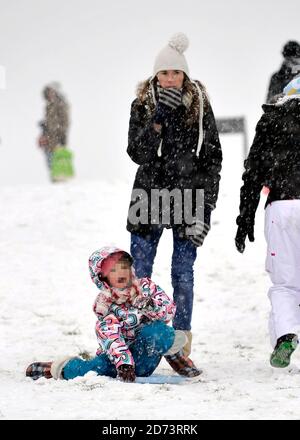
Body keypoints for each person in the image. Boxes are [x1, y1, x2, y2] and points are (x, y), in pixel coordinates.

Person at [126, 33, 222, 375]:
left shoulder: (199, 107)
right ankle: (136, 338)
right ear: (155, 76)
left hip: (189, 196)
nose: (169, 79)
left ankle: (179, 345)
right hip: (149, 195)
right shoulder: (142, 105)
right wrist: (157, 121)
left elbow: (213, 159)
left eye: (175, 73)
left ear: (184, 75)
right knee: (138, 275)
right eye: (164, 73)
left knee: (183, 275)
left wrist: (206, 210)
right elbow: (137, 153)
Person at [26, 246, 200, 382]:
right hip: (116, 362)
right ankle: (55, 369)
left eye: (123, 267)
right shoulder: (106, 306)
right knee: (93, 369)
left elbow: (168, 312)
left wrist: (150, 305)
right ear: (103, 279)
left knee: (159, 331)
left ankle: (175, 356)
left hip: (146, 352)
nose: (121, 272)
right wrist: (123, 362)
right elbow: (110, 336)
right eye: (113, 271)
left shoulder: (146, 288)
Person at [235, 76, 300, 368]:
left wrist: (245, 217)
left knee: (285, 283)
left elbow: (253, 172)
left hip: (281, 206)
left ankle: (286, 334)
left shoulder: (271, 121)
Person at [38, 82, 70, 178]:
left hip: (57, 137)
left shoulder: (61, 105)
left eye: (51, 92)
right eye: (48, 92)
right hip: (49, 138)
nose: (49, 94)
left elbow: (64, 121)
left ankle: (61, 179)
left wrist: (61, 135)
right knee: (50, 160)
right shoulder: (49, 105)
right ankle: (55, 179)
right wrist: (44, 126)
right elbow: (50, 121)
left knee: (58, 161)